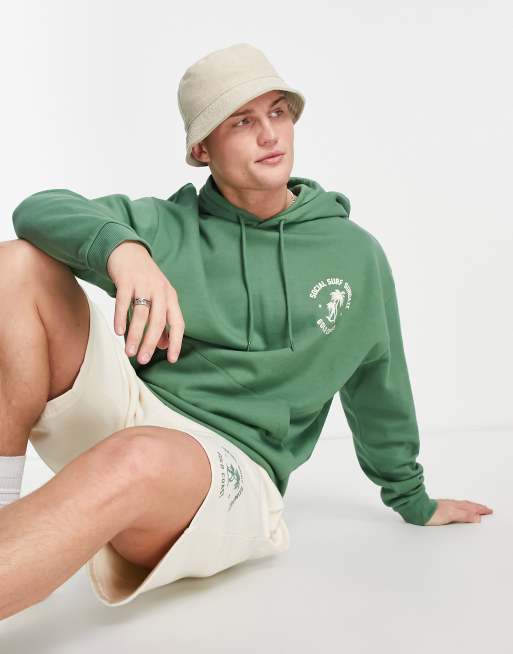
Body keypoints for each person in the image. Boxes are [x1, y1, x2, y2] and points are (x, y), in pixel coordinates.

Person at [0, 42, 492, 619]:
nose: (269, 134)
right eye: (242, 121)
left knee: (136, 456)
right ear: (201, 149)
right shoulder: (169, 225)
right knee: (17, 265)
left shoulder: (353, 255)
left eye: (278, 112)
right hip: (132, 411)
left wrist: (412, 497)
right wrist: (124, 251)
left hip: (231, 468)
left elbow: (379, 384)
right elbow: (39, 208)